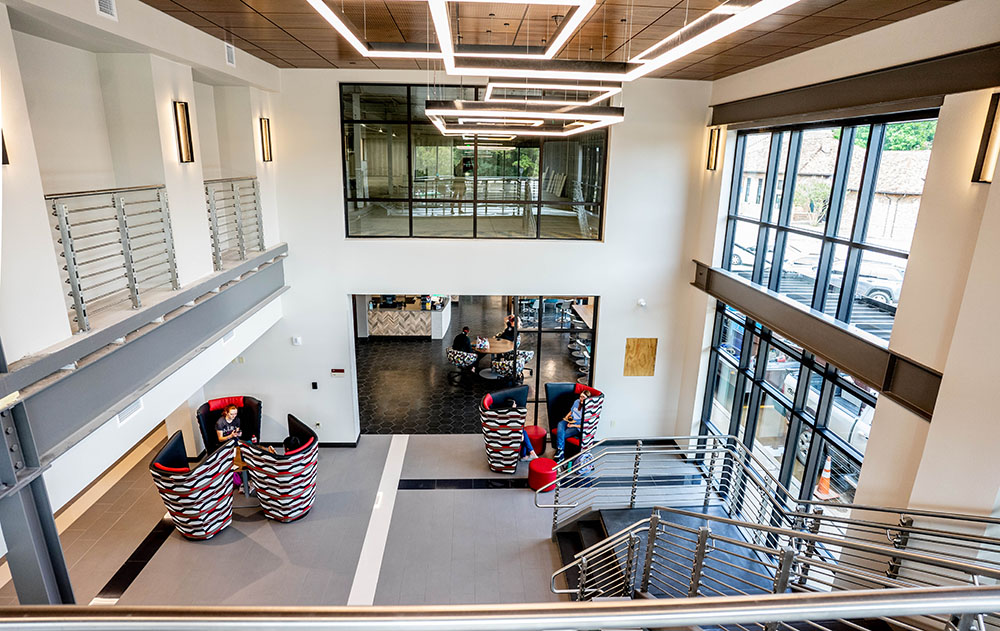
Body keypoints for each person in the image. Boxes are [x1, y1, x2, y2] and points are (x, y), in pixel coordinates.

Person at [554, 390, 590, 461]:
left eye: (583, 397)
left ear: (588, 398)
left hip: (577, 427)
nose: (581, 398)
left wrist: (573, 426)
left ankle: (560, 452)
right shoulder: (576, 401)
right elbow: (571, 411)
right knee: (560, 423)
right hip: (570, 420)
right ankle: (560, 451)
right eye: (580, 396)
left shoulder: (588, 409)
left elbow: (584, 425)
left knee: (561, 434)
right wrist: (566, 418)